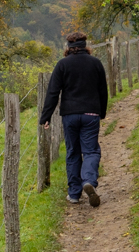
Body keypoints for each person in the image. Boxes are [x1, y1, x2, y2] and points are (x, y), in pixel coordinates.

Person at [39, 31, 107, 206]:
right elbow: (103, 91)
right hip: (91, 114)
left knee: (73, 153)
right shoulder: (96, 64)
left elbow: (53, 92)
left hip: (69, 115)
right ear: (86, 46)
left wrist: (46, 116)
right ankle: (89, 181)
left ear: (68, 48)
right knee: (91, 151)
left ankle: (75, 194)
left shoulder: (62, 65)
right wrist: (102, 112)